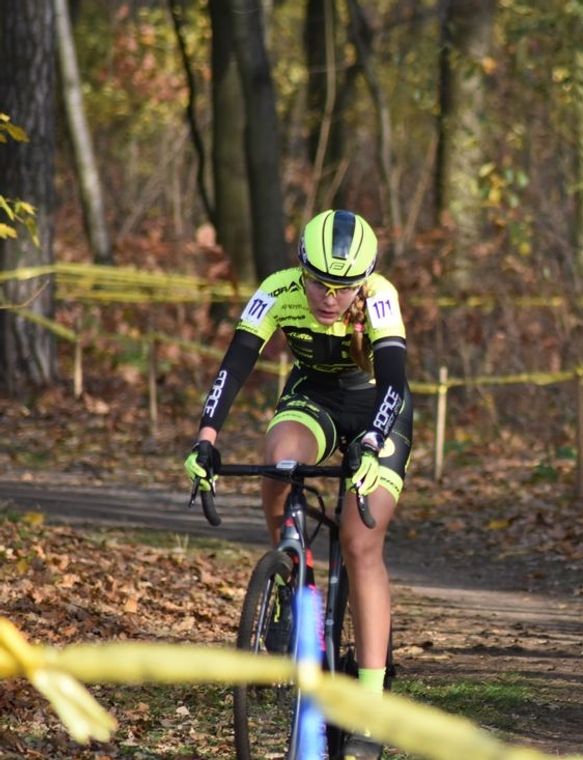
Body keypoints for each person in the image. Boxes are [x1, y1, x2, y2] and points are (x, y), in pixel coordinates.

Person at [184, 209, 412, 759]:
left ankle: (371, 708)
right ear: (300, 268)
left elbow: (396, 383)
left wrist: (372, 445)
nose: (329, 297)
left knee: (360, 542)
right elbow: (234, 364)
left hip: (378, 409)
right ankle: (289, 571)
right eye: (319, 283)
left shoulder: (380, 295)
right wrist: (207, 437)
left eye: (343, 288)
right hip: (314, 398)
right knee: (280, 460)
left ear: (362, 281)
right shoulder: (277, 290)